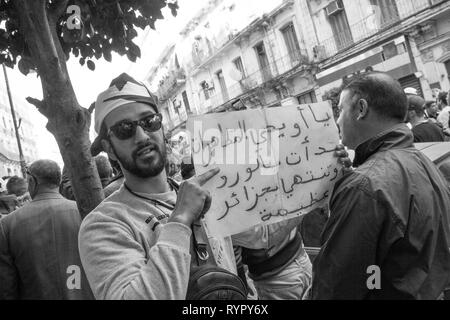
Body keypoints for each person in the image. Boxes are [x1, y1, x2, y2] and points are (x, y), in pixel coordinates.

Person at [78, 73, 220, 300]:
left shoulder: (200, 192)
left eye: (150, 121)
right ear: (110, 148)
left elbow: (253, 245)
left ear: (162, 128)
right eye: (125, 128)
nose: (142, 135)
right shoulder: (103, 224)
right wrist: (181, 218)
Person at [312, 72, 450, 300]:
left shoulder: (365, 187)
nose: (337, 121)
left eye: (340, 110)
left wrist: (355, 185)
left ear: (361, 109)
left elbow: (336, 285)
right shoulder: (421, 160)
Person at [0, 160, 94, 299]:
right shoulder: (85, 213)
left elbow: (7, 285)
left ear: (32, 181)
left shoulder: (7, 224)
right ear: (59, 180)